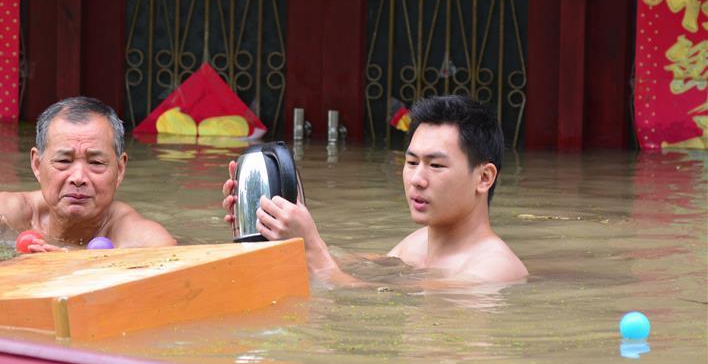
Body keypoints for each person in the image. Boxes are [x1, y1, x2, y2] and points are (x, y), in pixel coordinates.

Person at [223, 95, 527, 285]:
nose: (417, 179)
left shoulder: (494, 270)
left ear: (484, 178)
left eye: (435, 166)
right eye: (411, 162)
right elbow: (341, 266)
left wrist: (311, 247)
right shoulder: (415, 246)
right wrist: (273, 223)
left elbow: (364, 305)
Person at [0, 96, 176, 255]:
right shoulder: (7, 214)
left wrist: (79, 267)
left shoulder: (132, 234)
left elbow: (173, 267)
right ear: (37, 164)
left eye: (96, 162)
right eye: (64, 161)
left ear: (120, 170)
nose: (78, 177)